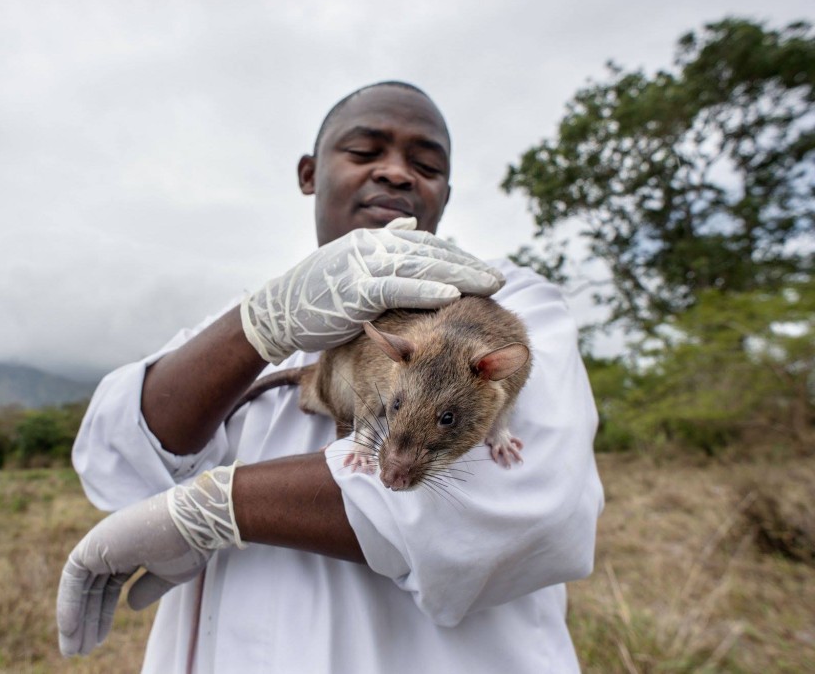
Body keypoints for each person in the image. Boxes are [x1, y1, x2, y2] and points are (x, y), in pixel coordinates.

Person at [57, 81, 605, 673]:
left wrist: (215, 505)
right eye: (366, 151)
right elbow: (115, 459)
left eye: (425, 165)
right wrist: (261, 324)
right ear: (309, 173)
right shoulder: (234, 332)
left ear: (446, 192)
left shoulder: (514, 304)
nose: (396, 174)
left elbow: (527, 506)